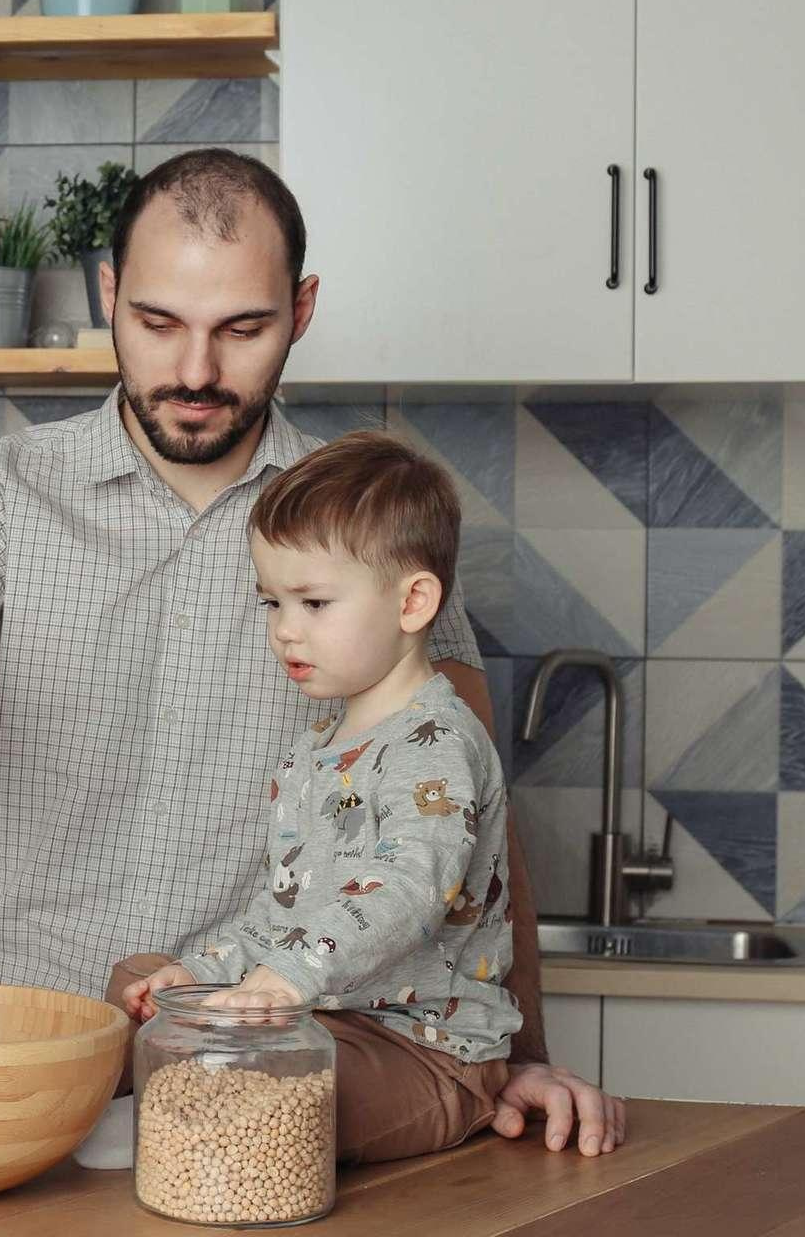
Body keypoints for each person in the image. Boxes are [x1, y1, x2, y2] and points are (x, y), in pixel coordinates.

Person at [0, 149, 623, 1156]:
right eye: (157, 321)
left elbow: (465, 804)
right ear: (107, 292)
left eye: (240, 328)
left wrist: (514, 1052)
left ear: (299, 311)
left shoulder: (363, 521)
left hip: (240, 1055)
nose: (195, 371)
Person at [112, 430, 518, 1164]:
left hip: (425, 1053)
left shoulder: (437, 741)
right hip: (332, 1018)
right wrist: (205, 973)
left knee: (258, 1100)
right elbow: (286, 910)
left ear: (414, 601)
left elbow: (406, 889)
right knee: (143, 982)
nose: (284, 631)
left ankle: (174, 1130)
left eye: (314, 602)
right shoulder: (318, 748)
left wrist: (288, 976)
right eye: (271, 601)